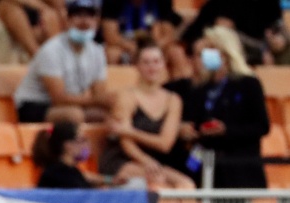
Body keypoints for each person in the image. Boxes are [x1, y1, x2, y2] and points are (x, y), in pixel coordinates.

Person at [99, 39, 195, 190]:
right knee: (159, 185)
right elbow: (126, 143)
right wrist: (145, 160)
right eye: (146, 62)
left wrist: (129, 131)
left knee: (187, 185)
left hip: (156, 160)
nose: (152, 67)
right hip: (124, 158)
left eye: (156, 62)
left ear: (163, 64)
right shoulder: (126, 96)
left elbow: (165, 144)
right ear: (137, 66)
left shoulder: (173, 100)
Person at [187, 26, 270, 189]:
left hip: (239, 168)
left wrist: (226, 130)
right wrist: (194, 129)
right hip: (207, 166)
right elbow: (196, 120)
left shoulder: (248, 84)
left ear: (225, 53)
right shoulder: (201, 88)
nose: (205, 55)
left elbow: (262, 126)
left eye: (210, 49)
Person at [13, 0, 113, 124]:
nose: (84, 21)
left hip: (69, 105)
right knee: (73, 115)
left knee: (107, 115)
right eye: (78, 15)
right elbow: (58, 98)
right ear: (67, 20)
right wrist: (102, 99)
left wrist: (110, 101)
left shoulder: (97, 51)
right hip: (33, 104)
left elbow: (99, 93)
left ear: (97, 22)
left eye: (90, 16)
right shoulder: (52, 49)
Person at [33, 120, 117, 188]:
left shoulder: (71, 172)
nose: (86, 145)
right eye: (82, 140)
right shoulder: (60, 176)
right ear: (68, 145)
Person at [0, 0, 64, 65]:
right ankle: (42, 59)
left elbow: (58, 6)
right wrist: (42, 7)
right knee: (9, 7)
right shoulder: (7, 6)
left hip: (26, 55)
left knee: (52, 16)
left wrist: (56, 11)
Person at [100, 0, 183, 65]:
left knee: (176, 53)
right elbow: (110, 36)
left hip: (153, 44)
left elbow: (168, 35)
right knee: (112, 55)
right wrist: (134, 48)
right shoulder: (112, 2)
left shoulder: (162, 2)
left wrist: (153, 48)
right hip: (124, 45)